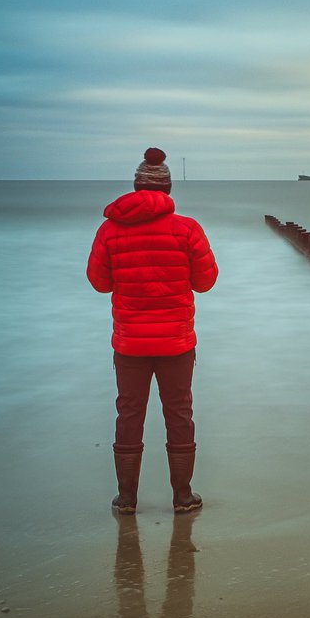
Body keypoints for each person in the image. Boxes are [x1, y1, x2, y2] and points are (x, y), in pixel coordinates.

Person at [87, 147, 218, 514]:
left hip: (129, 343)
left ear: (134, 186)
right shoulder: (187, 229)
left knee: (129, 414)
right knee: (179, 413)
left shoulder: (110, 230)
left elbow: (98, 283)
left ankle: (127, 499)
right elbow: (205, 281)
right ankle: (182, 497)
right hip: (176, 341)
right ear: (169, 189)